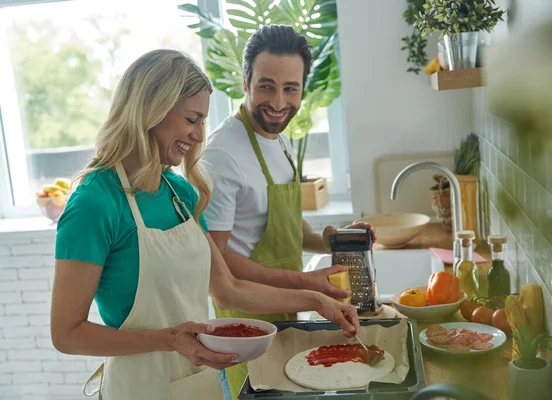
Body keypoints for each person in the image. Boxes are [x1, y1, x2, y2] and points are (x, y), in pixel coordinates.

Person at [50, 49, 359, 400]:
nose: (198, 136)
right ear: (150, 111)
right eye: (191, 119)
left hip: (199, 384)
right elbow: (66, 333)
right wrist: (167, 340)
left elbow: (227, 290)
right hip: (138, 388)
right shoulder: (94, 203)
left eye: (202, 122)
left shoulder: (179, 192)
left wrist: (316, 300)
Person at [201, 25, 375, 398]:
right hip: (245, 326)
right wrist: (307, 285)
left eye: (290, 88)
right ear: (245, 80)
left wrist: (330, 240)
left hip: (285, 315)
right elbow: (218, 261)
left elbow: (284, 226)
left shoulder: (277, 141)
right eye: (266, 86)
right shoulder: (223, 154)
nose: (278, 102)